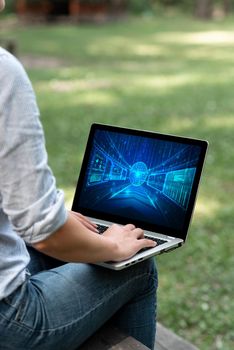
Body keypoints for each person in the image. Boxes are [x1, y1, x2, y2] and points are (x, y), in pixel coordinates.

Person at [0, 1, 158, 349]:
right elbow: (46, 236)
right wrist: (112, 246)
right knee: (137, 266)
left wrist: (55, 219)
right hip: (9, 323)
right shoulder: (3, 72)